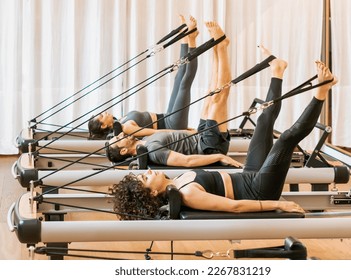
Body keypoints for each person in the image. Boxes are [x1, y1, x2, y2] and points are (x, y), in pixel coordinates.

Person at [110, 56, 338, 220]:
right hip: (259, 189)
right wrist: (279, 205)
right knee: (286, 139)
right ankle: (322, 91)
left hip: (249, 174)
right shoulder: (187, 193)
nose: (148, 172)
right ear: (151, 193)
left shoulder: (177, 182)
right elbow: (235, 207)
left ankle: (277, 71)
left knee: (263, 122)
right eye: (146, 179)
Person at [107, 22, 243, 168]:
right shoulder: (153, 151)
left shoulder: (145, 140)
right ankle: (222, 48)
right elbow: (187, 161)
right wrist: (220, 156)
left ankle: (219, 46)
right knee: (219, 96)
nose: (119, 135)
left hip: (199, 136)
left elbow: (174, 138)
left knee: (211, 93)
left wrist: (187, 132)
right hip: (208, 146)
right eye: (117, 139)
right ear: (124, 151)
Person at [88, 15, 199, 139]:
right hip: (173, 124)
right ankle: (192, 40)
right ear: (103, 126)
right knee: (185, 83)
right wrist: (184, 133)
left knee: (179, 78)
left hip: (168, 117)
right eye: (102, 116)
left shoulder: (121, 120)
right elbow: (155, 133)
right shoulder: (126, 128)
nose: (104, 112)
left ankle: (185, 38)